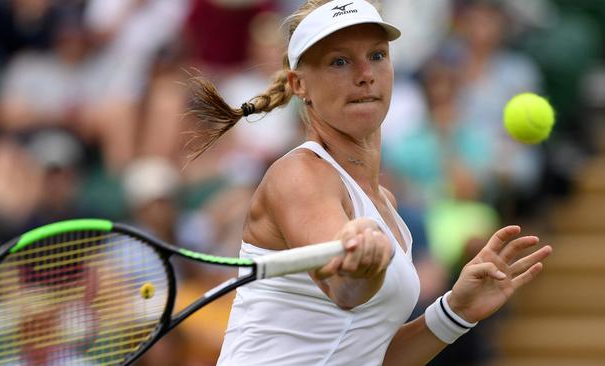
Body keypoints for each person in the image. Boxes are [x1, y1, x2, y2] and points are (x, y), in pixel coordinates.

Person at [184, 1, 552, 365]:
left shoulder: (386, 204)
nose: (365, 73)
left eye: (377, 56)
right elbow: (344, 289)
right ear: (300, 84)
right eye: (339, 61)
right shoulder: (299, 175)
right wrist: (360, 269)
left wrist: (456, 311)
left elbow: (369, 357)